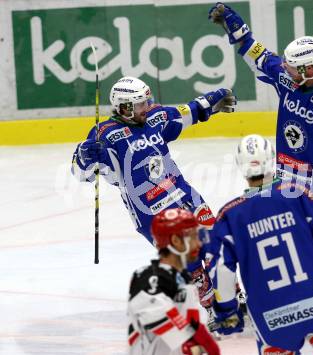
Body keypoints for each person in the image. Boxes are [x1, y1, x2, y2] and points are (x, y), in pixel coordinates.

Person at [71, 76, 236, 308]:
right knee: (193, 265)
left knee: (216, 245)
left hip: (184, 195)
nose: (147, 107)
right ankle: (214, 309)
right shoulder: (105, 135)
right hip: (152, 213)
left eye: (148, 101)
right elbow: (82, 174)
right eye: (141, 104)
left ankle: (234, 296)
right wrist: (83, 158)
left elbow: (186, 112)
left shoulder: (154, 117)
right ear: (124, 107)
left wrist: (209, 103)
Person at [208, 3, 313, 226]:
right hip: (286, 186)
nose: (284, 68)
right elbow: (262, 58)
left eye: (290, 66)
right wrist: (241, 33)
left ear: (309, 69)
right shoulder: (289, 79)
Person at [209, 134, 313, 354]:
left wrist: (227, 312)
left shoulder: (229, 216)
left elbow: (222, 270)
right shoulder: (300, 193)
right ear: (272, 158)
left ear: (240, 166)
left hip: (271, 315)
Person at [127, 208, 220, 355]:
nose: (198, 243)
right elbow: (176, 337)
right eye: (192, 237)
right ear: (176, 241)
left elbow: (191, 328)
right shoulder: (146, 281)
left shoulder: (183, 282)